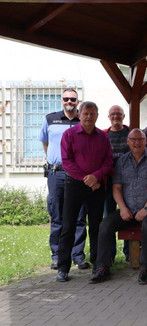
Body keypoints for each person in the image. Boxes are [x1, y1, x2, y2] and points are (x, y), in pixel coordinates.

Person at [89, 129, 147, 284]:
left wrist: (146, 209)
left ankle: (144, 268)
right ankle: (102, 268)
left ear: (146, 141)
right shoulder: (122, 161)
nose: (137, 142)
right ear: (128, 142)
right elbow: (116, 188)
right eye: (133, 139)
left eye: (140, 139)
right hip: (128, 209)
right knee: (105, 225)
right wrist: (122, 208)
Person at [57, 101, 113, 282]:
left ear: (97, 115)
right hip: (74, 185)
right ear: (79, 115)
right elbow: (67, 162)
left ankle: (98, 265)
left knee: (96, 226)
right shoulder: (69, 135)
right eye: (85, 113)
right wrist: (87, 179)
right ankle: (63, 268)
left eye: (92, 113)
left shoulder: (103, 137)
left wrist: (95, 177)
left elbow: (108, 162)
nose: (89, 116)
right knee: (68, 226)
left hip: (96, 186)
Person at [39, 88, 89, 271]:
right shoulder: (50, 119)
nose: (69, 102)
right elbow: (45, 142)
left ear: (78, 101)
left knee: (79, 216)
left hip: (77, 174)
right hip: (57, 174)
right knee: (57, 214)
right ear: (62, 101)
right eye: (66, 99)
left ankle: (78, 255)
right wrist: (55, 161)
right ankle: (57, 255)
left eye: (73, 99)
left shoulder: (83, 121)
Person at [103, 105, 129, 262]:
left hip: (127, 181)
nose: (116, 117)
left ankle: (128, 251)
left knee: (128, 214)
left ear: (123, 116)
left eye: (118, 114)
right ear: (108, 117)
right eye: (113, 114)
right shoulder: (104, 135)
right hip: (109, 181)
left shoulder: (130, 133)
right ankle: (110, 253)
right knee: (109, 216)